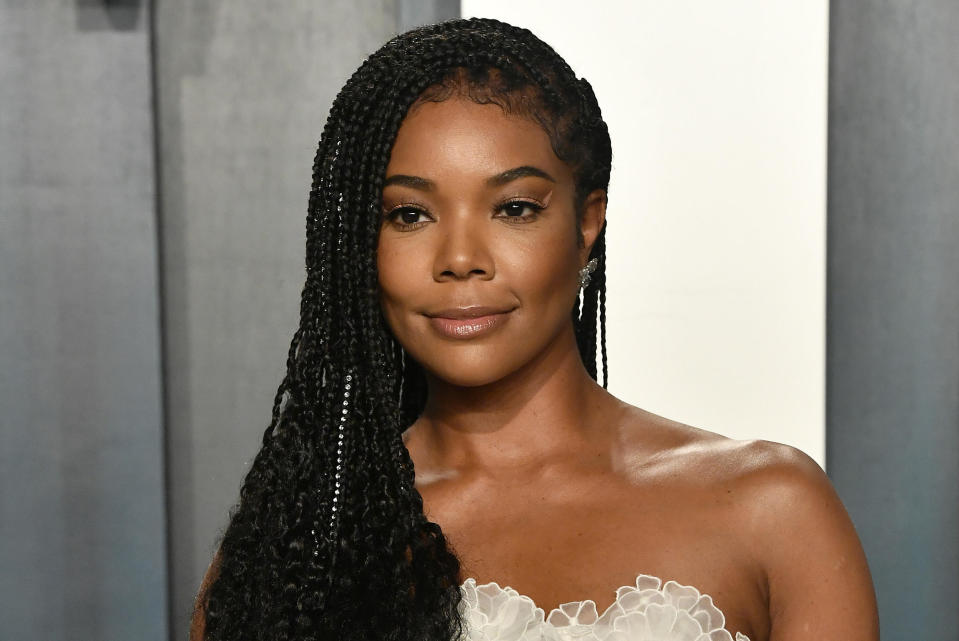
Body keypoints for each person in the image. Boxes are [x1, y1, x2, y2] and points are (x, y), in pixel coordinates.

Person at [190, 17, 879, 641]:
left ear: (587, 221)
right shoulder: (293, 553)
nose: (460, 259)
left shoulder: (771, 509)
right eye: (408, 215)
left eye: (513, 208)